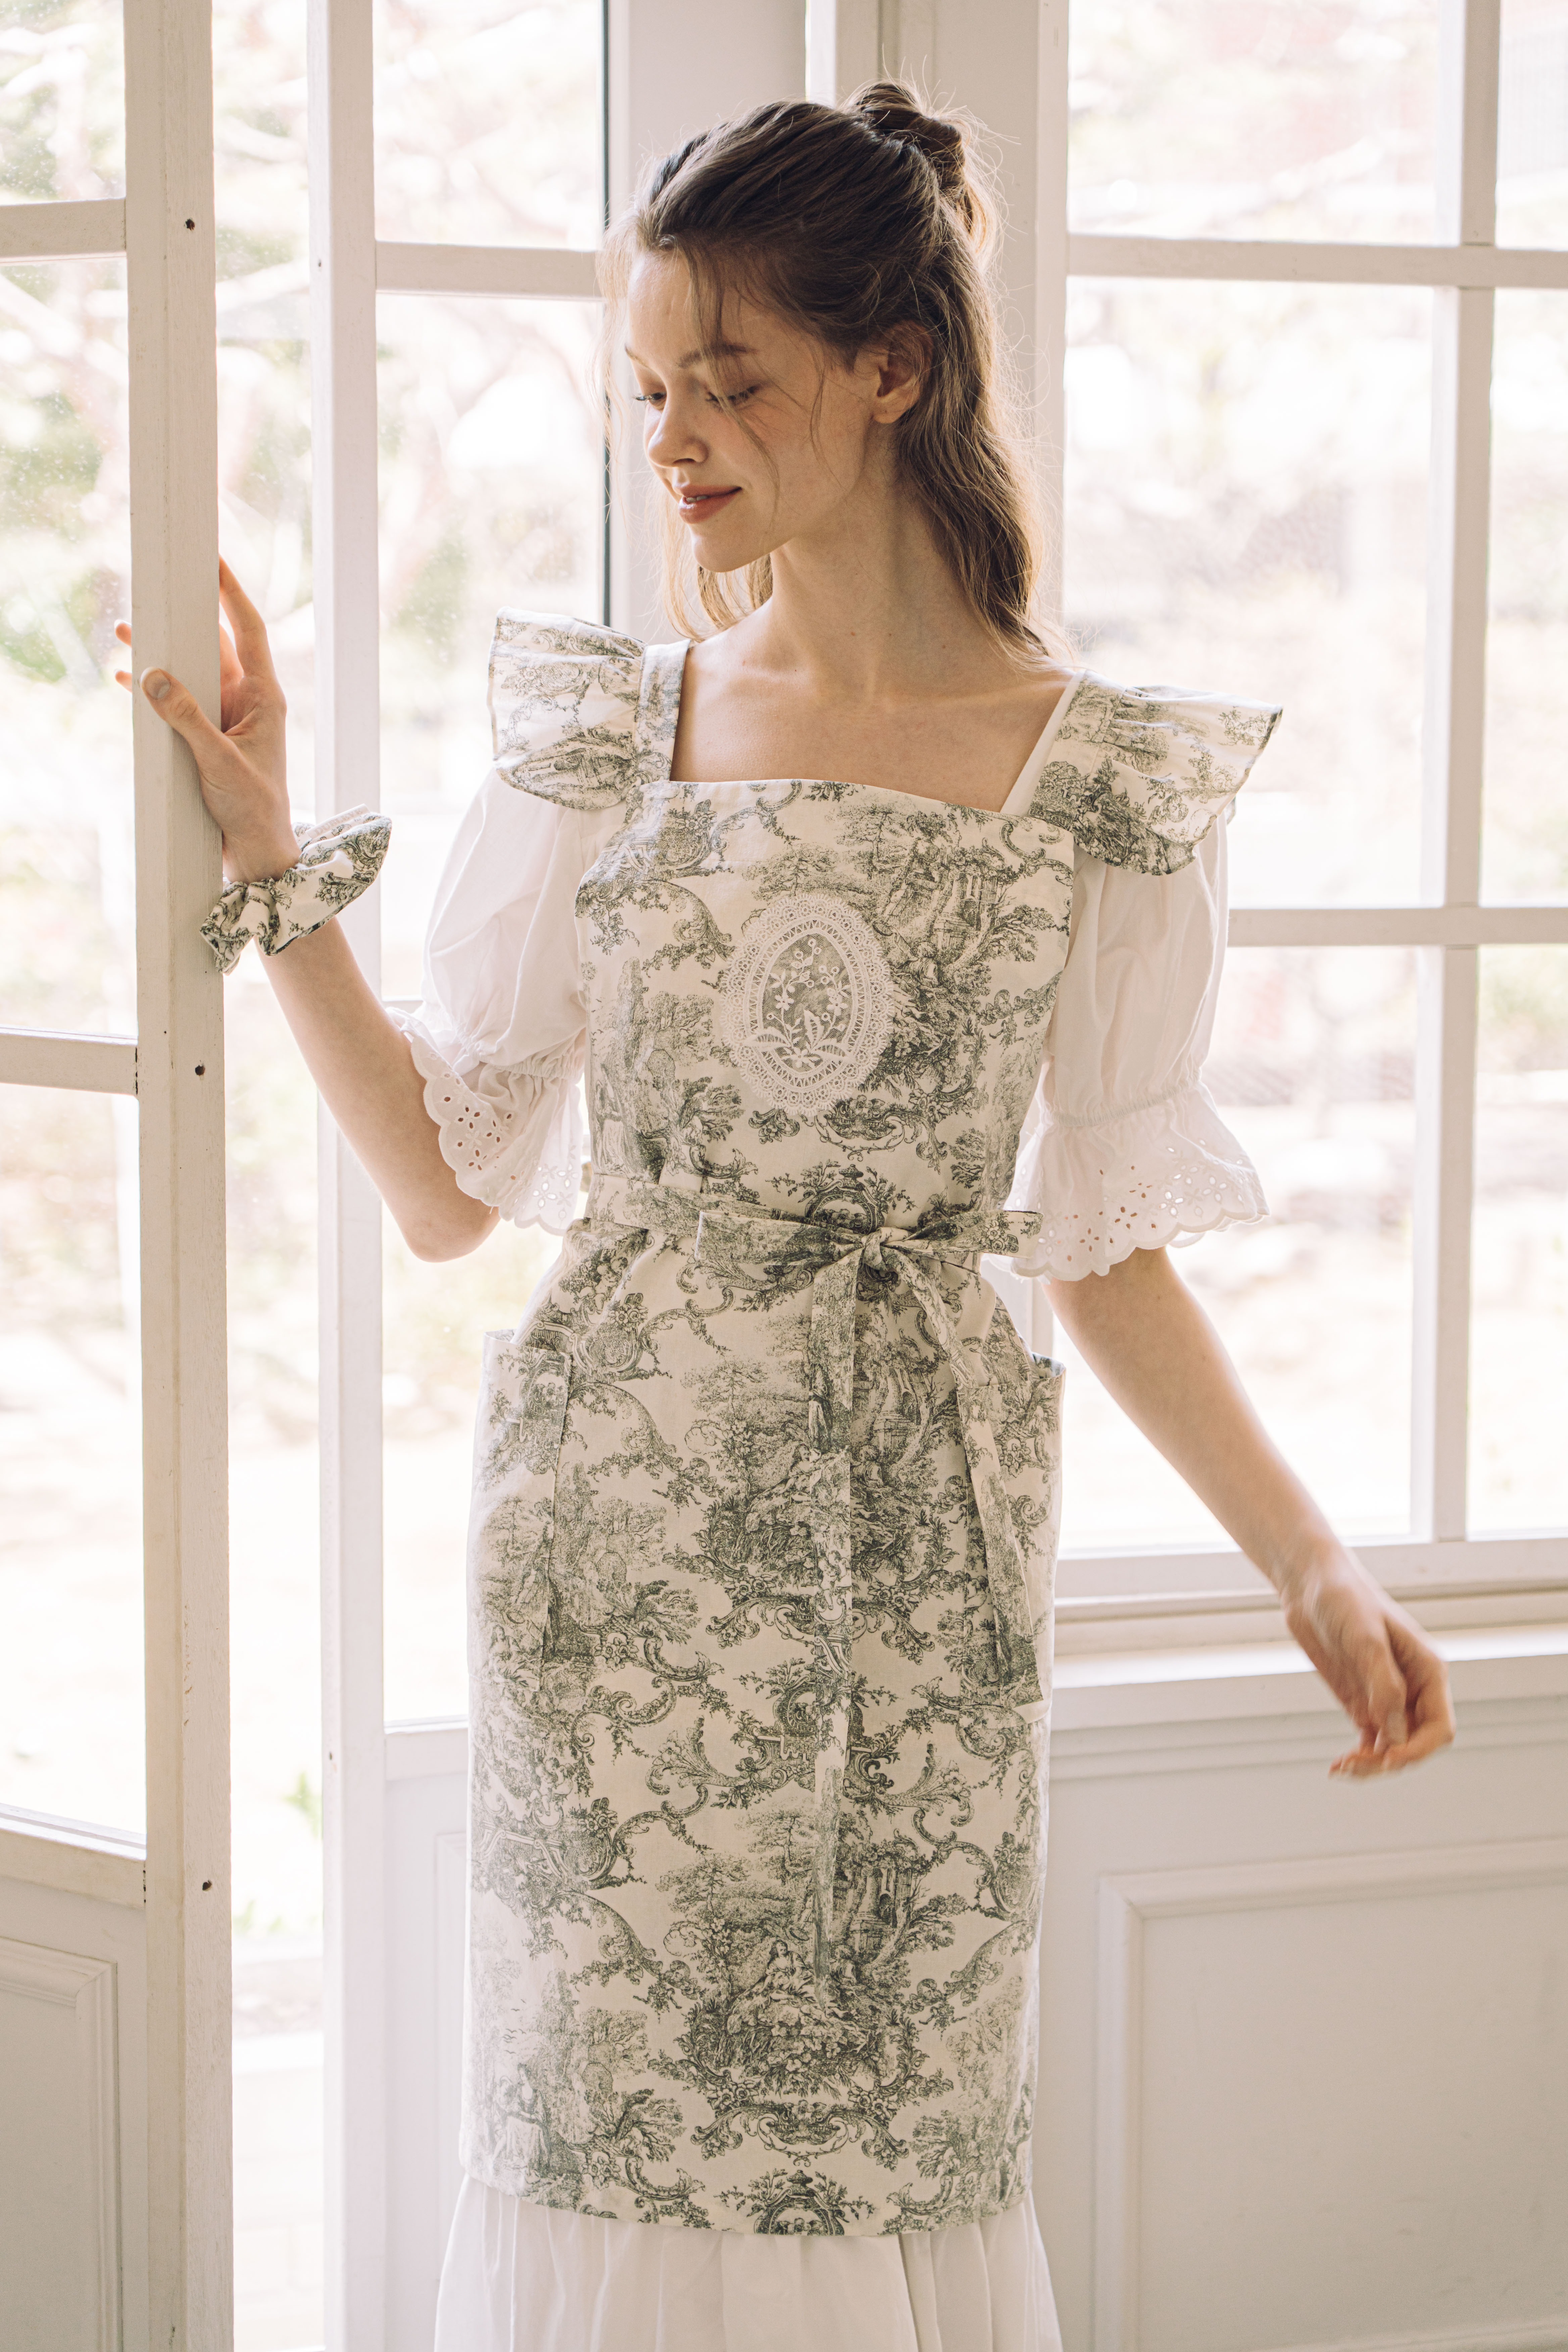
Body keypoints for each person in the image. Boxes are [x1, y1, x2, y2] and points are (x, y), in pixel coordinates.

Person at [120, 82, 1454, 2352]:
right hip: (610, 1572)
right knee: (601, 2144)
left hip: (920, 1578)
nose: (674, 440)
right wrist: (272, 861)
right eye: (649, 388)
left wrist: (1311, 1561)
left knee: (897, 2133)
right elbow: (447, 1188)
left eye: (728, 381)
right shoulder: (607, 736)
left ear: (894, 368)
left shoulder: (1099, 780)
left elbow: (1102, 1242)